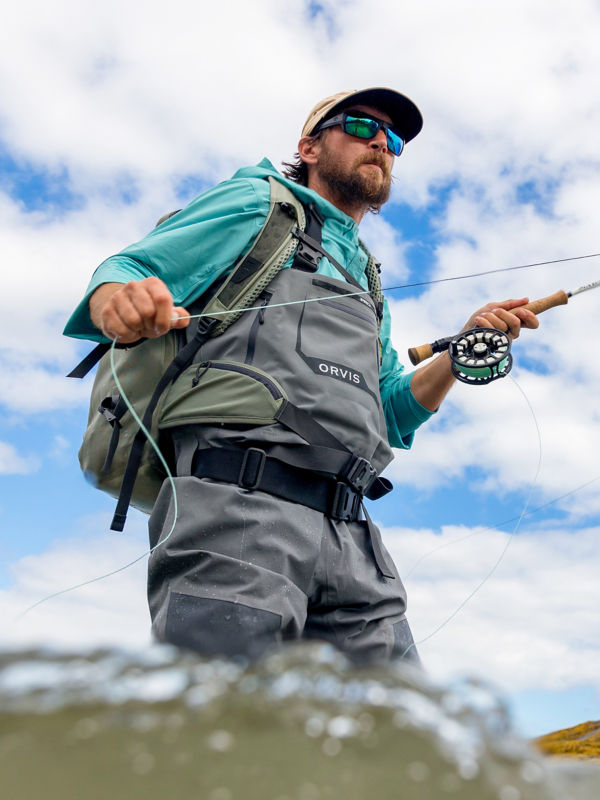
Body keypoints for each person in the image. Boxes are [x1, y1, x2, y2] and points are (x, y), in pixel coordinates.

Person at [64, 87, 538, 663]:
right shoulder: (260, 204)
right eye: (364, 126)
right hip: (234, 509)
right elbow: (128, 267)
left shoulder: (366, 275)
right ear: (309, 147)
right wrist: (119, 300)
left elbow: (389, 410)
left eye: (393, 141)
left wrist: (459, 355)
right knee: (229, 728)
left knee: (396, 741)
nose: (380, 144)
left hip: (355, 536)